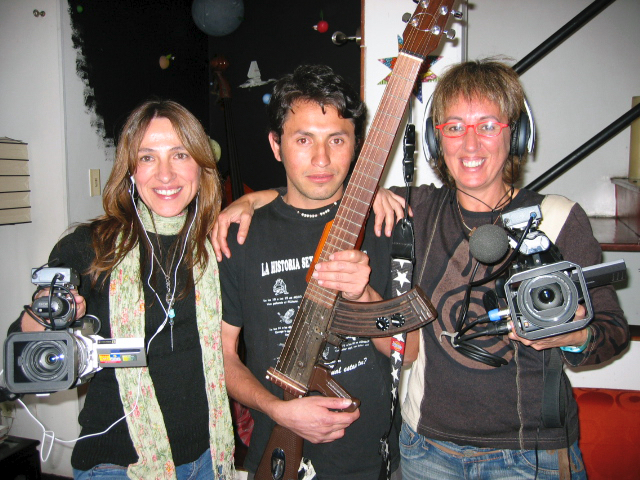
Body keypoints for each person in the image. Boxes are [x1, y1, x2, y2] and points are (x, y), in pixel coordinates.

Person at [213, 60, 630, 479]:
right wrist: (251, 200)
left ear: (516, 134)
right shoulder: (414, 211)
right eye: (454, 127)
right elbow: (320, 191)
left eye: (488, 126)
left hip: (528, 455)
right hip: (426, 451)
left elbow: (611, 330)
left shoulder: (556, 218)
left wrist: (575, 337)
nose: (470, 144)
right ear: (435, 139)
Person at [10, 100, 235, 479]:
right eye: (147, 158)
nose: (165, 173)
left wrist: (252, 200)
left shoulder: (214, 245)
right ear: (130, 170)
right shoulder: (90, 246)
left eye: (180, 154)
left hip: (209, 458)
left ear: (201, 165)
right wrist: (47, 314)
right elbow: (22, 350)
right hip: (117, 464)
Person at [218, 65, 408, 480]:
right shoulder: (240, 234)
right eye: (303, 139)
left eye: (336, 139)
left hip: (373, 461)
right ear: (276, 145)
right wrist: (278, 410)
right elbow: (222, 356)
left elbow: (406, 351)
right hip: (278, 454)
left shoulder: (384, 222)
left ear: (357, 145)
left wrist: (364, 297)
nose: (321, 159)